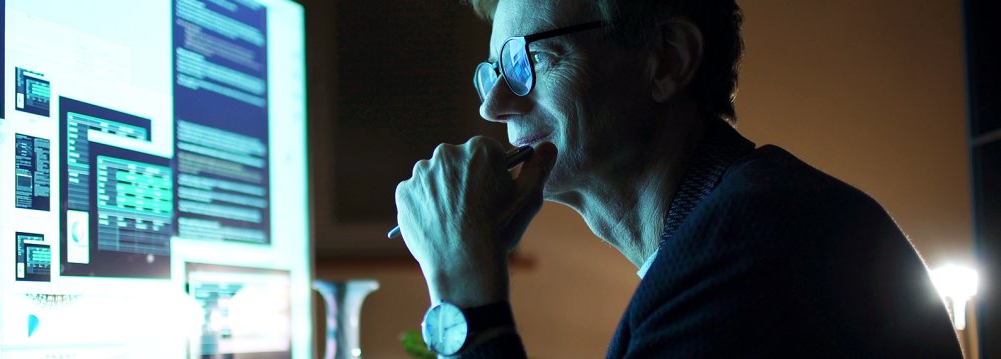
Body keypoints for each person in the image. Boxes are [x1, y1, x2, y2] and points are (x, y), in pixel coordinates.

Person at [392, 0, 964, 357]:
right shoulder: (733, 226)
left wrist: (465, 293)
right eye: (491, 71)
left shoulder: (753, 246)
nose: (493, 105)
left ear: (667, 59)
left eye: (523, 61)